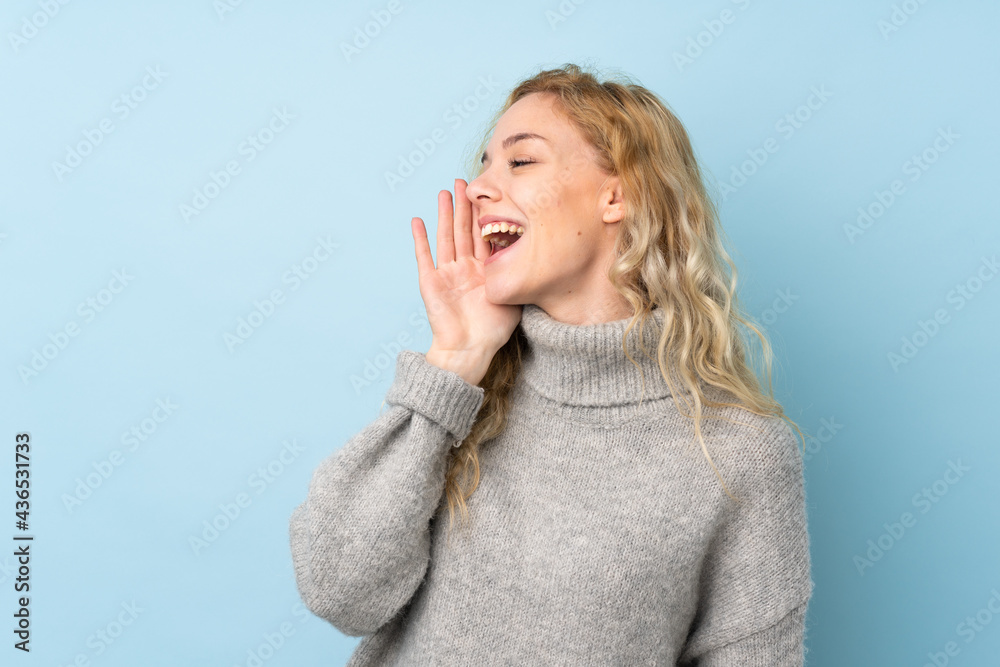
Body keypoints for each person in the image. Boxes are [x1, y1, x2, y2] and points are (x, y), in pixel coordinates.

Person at [289, 62, 814, 666]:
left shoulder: (741, 455)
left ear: (618, 196)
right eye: (483, 165)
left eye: (520, 161)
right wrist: (452, 364)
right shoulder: (464, 396)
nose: (479, 187)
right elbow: (337, 591)